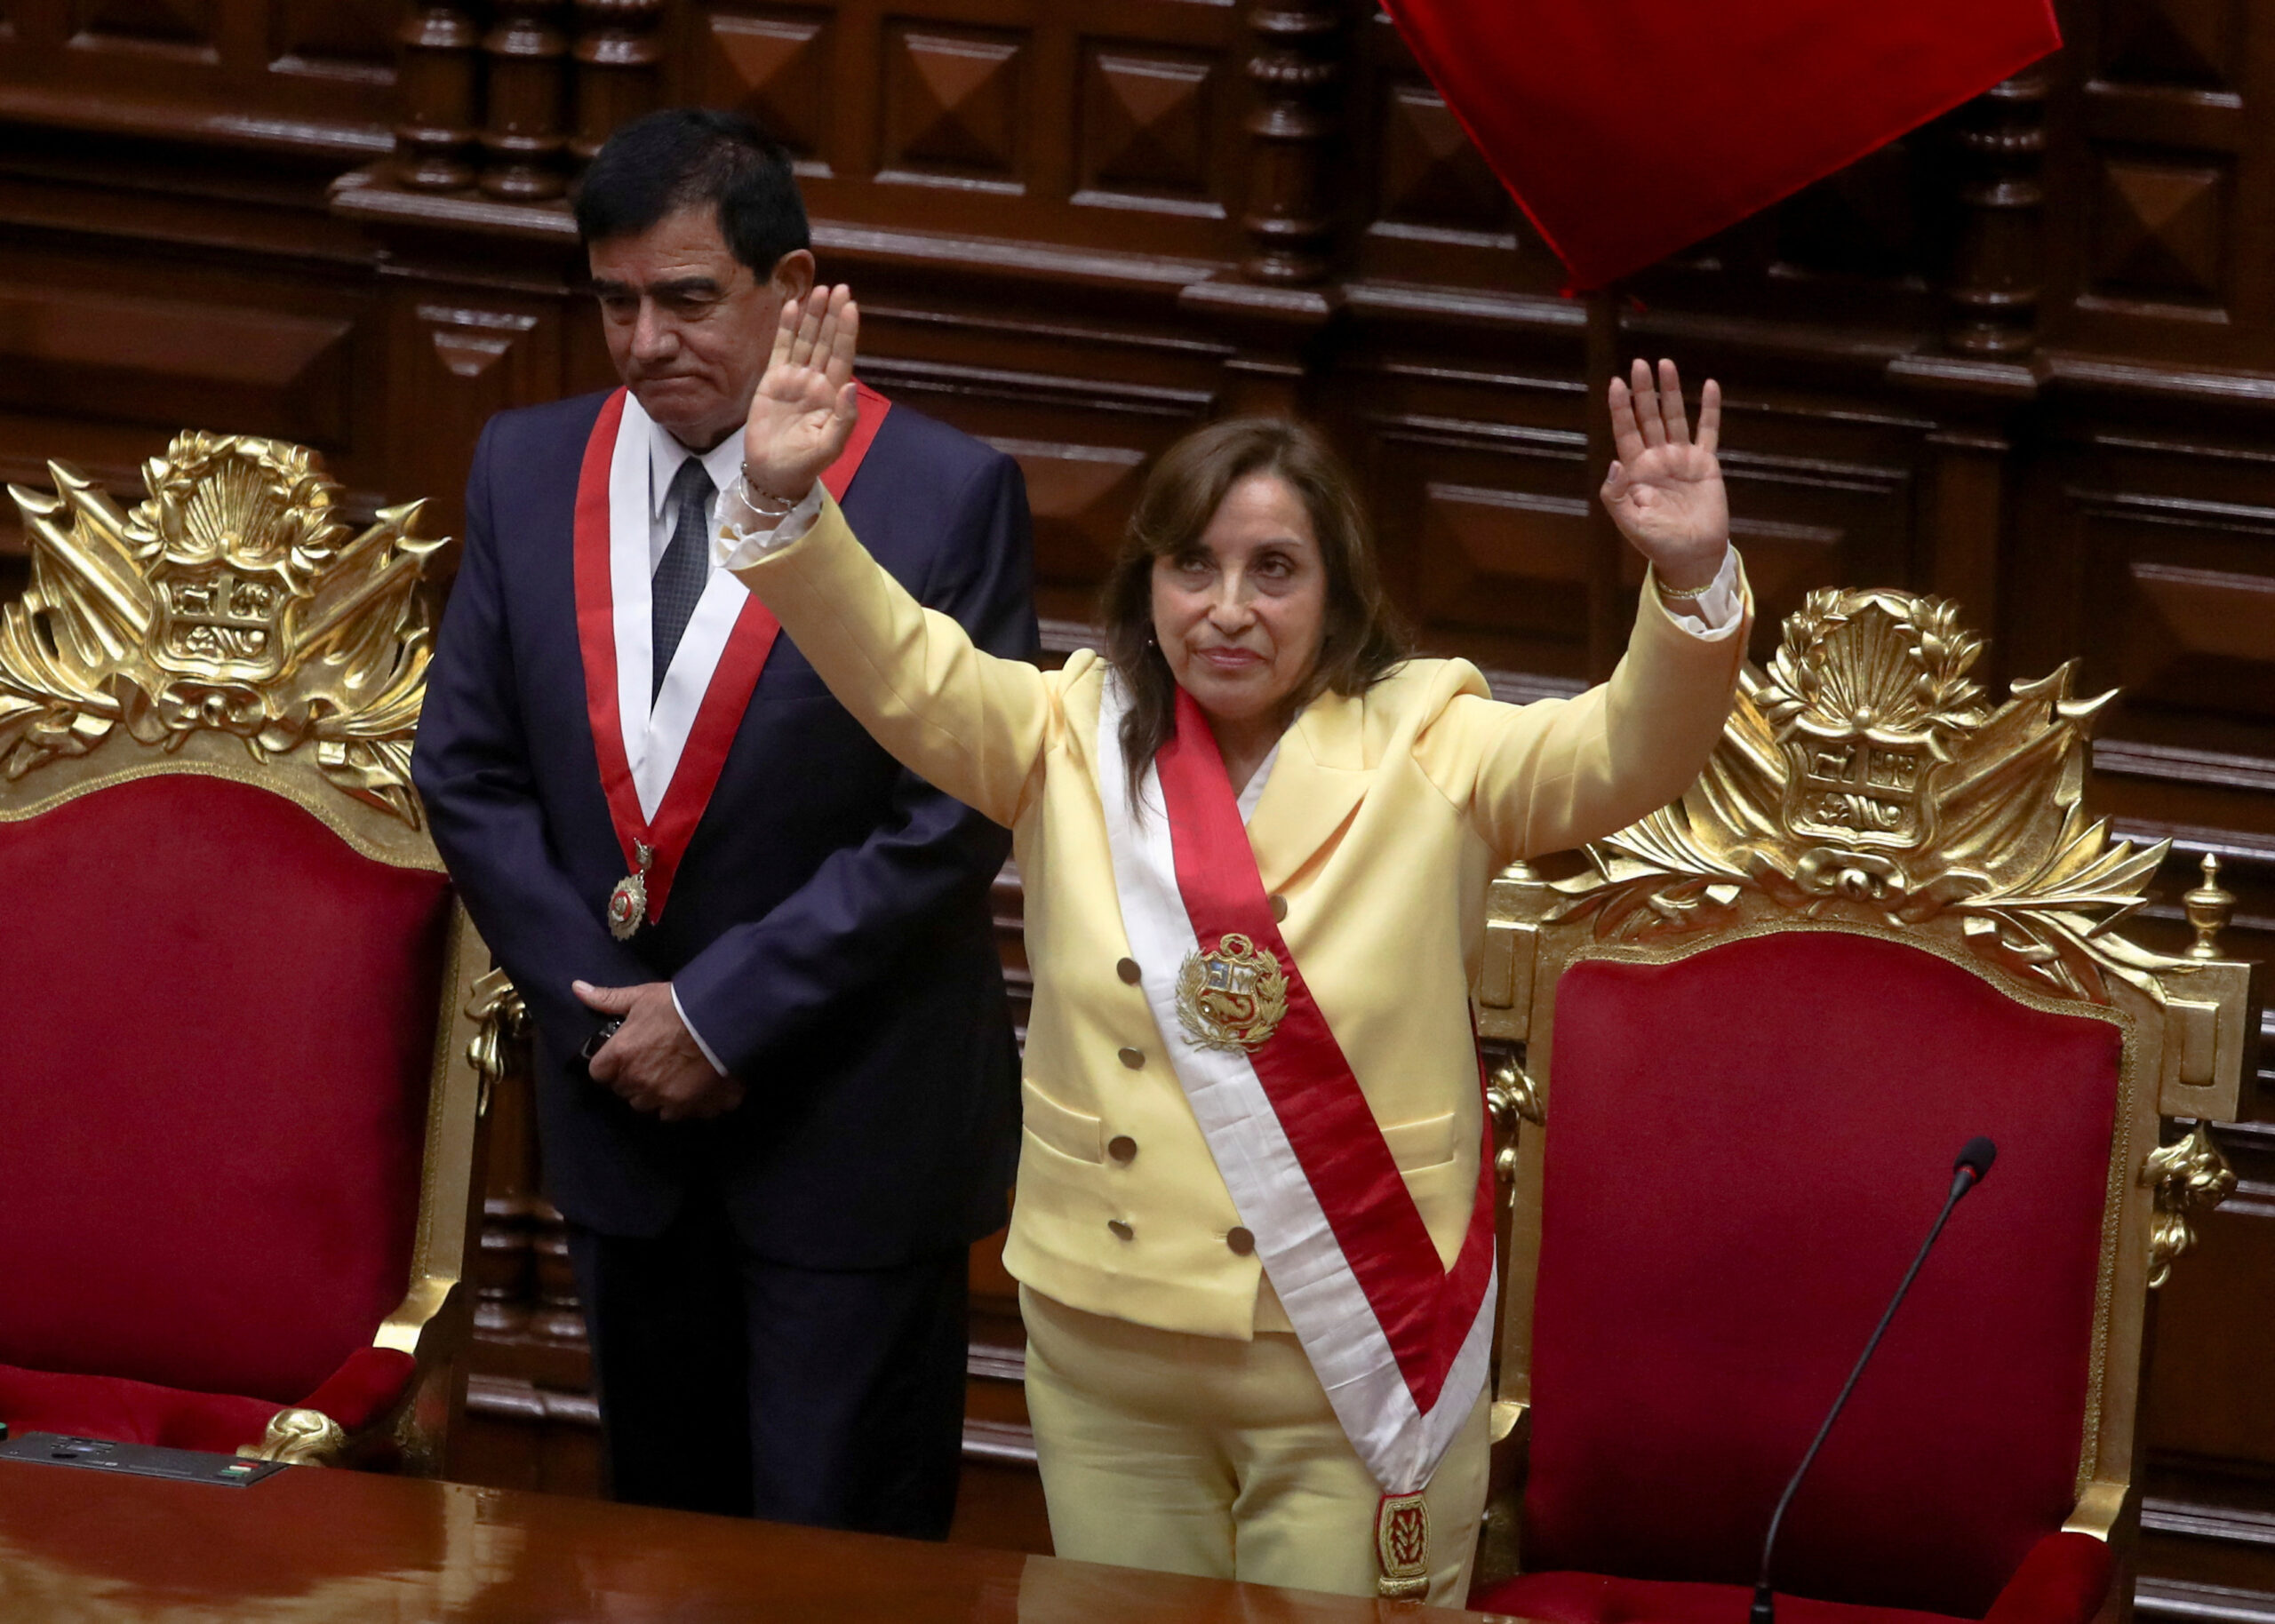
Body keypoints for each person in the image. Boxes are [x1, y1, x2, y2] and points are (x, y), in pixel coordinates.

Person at [714, 284, 1750, 1603]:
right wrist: (793, 507)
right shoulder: (1061, 733)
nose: (1227, 608)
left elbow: (1628, 752)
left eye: (1274, 570)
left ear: (1338, 591)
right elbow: (900, 665)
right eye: (1191, 565)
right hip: (1107, 1342)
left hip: (1346, 1343)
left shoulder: (1435, 739)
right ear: (1147, 585)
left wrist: (1688, 577)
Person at [409, 112, 1036, 1537]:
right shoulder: (523, 464)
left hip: (845, 1127)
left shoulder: (944, 493)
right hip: (626, 1119)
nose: (643, 343)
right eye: (615, 301)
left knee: (837, 1567)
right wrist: (612, 1025)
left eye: (686, 299)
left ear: (791, 283)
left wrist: (723, 1013)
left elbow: (953, 807)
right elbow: (469, 769)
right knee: (655, 1549)